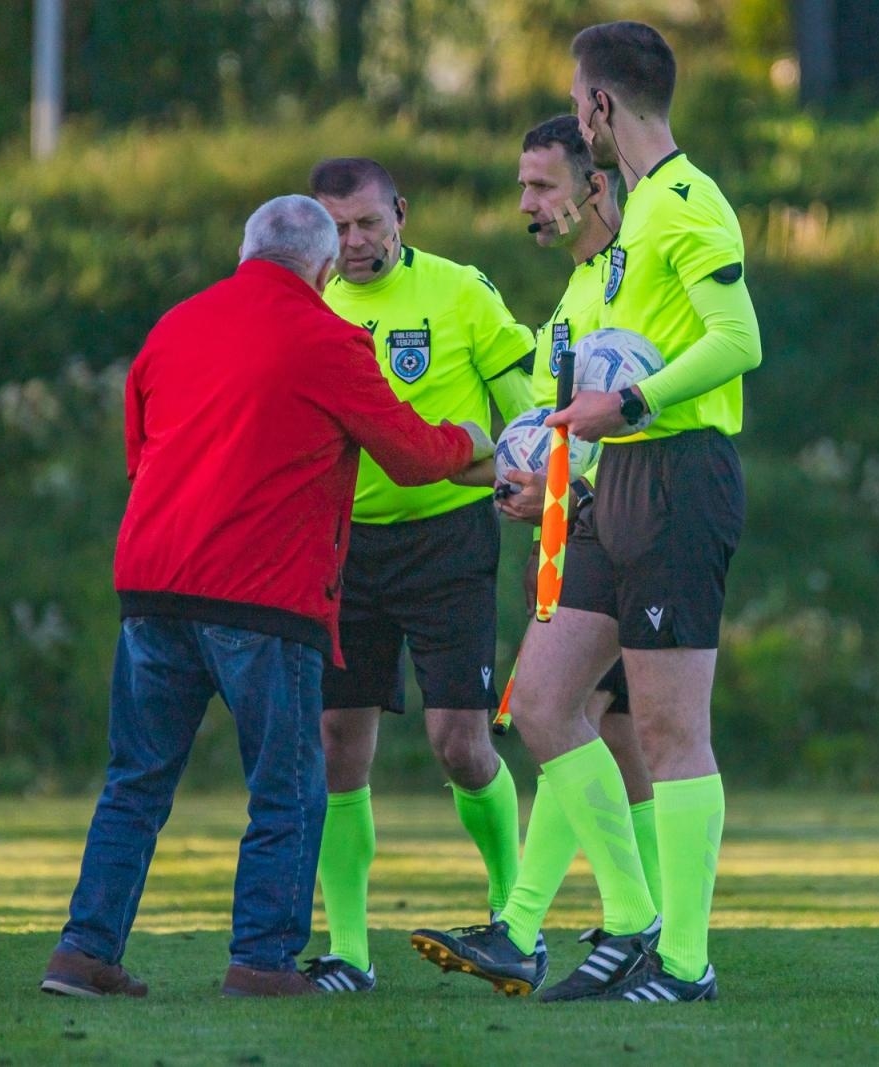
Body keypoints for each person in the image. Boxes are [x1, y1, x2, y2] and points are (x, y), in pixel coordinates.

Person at [41, 194, 490, 1000]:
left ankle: (83, 950)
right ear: (322, 269)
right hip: (263, 597)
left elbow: (140, 452)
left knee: (136, 779)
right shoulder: (328, 338)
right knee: (287, 784)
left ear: (246, 252)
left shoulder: (173, 326)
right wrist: (474, 440)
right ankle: (262, 960)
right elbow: (412, 455)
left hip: (151, 583)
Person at [406, 21, 762, 1005]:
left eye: (575, 100)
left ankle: (683, 961)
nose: (573, 114)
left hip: (681, 475)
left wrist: (629, 405)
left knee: (667, 725)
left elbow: (740, 341)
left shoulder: (687, 202)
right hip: (614, 487)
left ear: (599, 107)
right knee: (544, 702)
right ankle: (630, 918)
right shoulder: (630, 225)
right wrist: (545, 470)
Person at [412, 115, 661, 997]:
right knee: (603, 730)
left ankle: (588, 928)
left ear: (595, 186)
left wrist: (577, 498)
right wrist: (537, 491)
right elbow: (571, 430)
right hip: (585, 530)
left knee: (567, 713)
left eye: (541, 186)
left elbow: (641, 410)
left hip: (633, 528)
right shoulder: (578, 291)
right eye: (522, 186)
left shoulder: (634, 278)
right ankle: (614, 932)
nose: (526, 204)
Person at [301, 158, 537, 994]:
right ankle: (349, 952)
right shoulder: (306, 302)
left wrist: (531, 477)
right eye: (335, 226)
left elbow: (528, 414)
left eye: (367, 222)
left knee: (460, 743)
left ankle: (515, 919)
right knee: (337, 746)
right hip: (342, 548)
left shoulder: (462, 292)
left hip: (446, 543)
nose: (354, 242)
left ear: (400, 213)